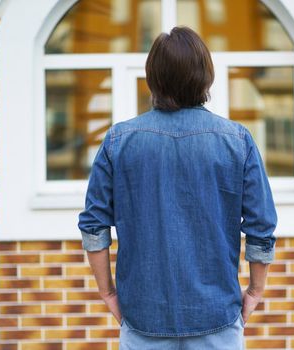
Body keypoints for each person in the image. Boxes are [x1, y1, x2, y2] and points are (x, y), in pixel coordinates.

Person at [78, 25, 278, 350]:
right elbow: (261, 227)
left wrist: (108, 292)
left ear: (153, 78)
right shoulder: (237, 140)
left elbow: (94, 225)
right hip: (217, 316)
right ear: (206, 77)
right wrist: (255, 290)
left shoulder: (118, 141)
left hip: (144, 316)